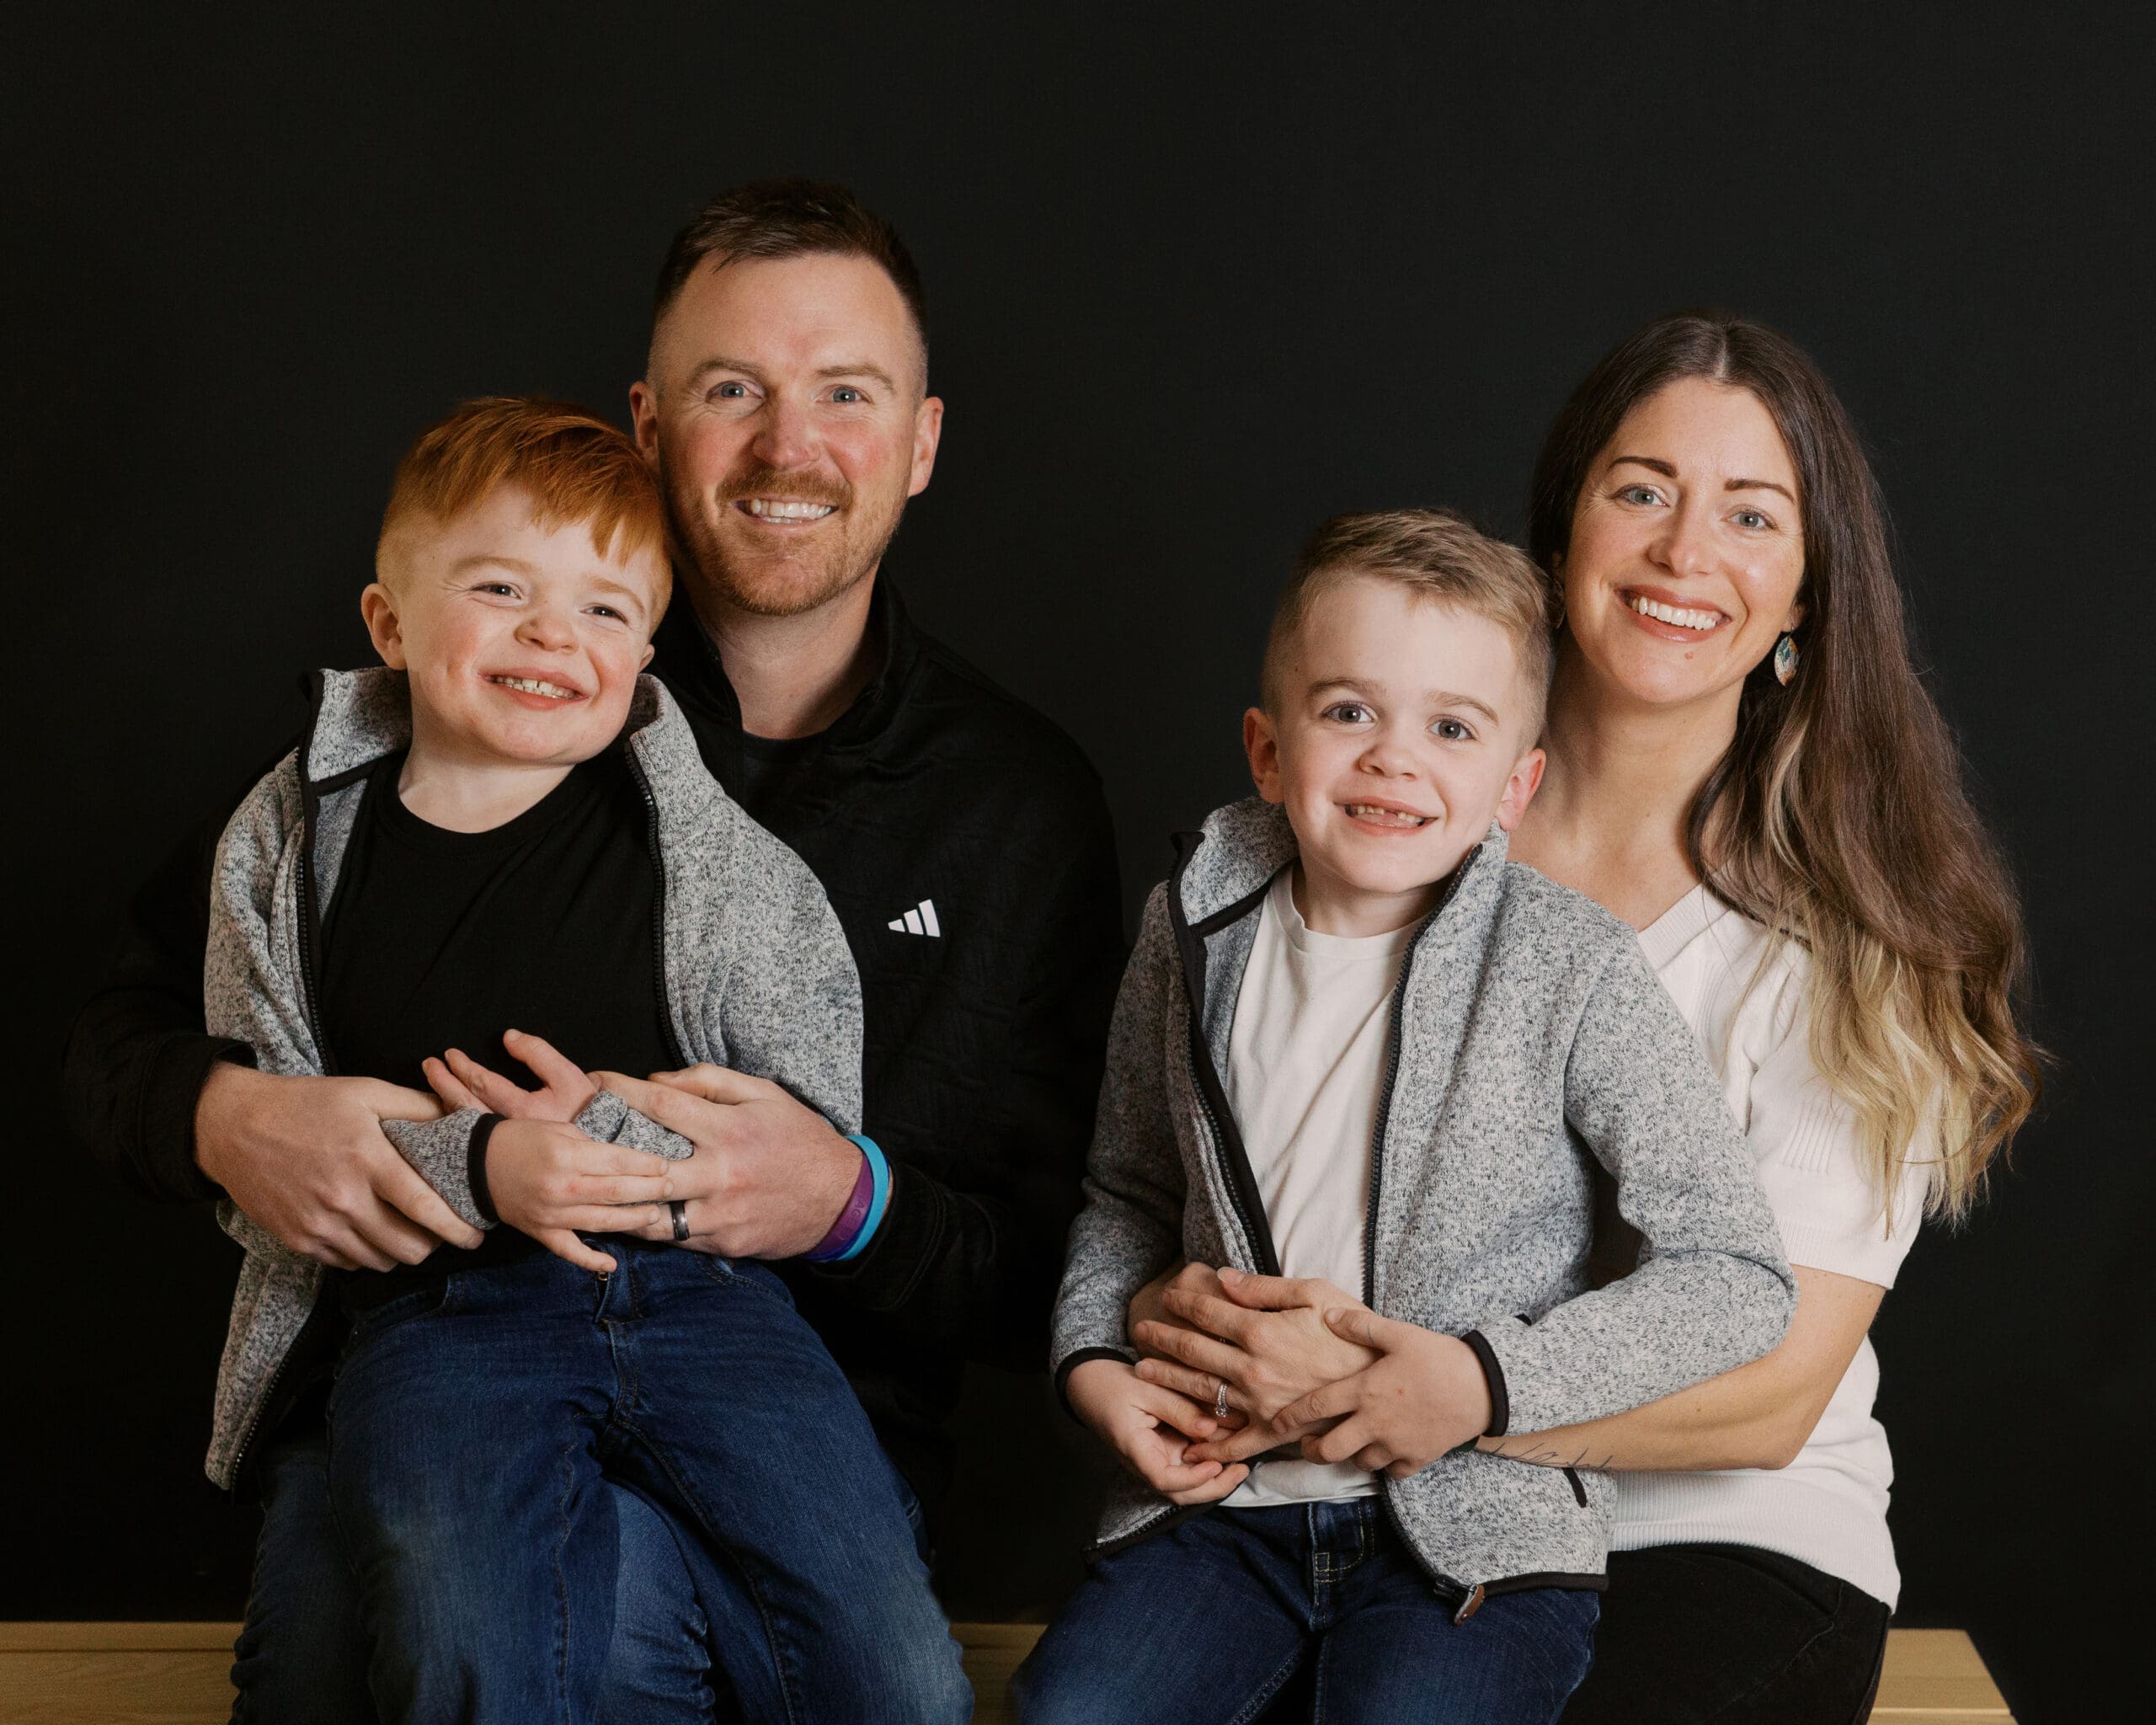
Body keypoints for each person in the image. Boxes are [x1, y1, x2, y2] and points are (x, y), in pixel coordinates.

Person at [61, 179, 1125, 1721]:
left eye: (846, 393)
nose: (786, 446)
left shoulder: (1016, 800)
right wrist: (231, 1119)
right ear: (646, 423)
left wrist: (845, 1203)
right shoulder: (473, 682)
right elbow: (126, 1024)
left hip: (789, 1396)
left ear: (922, 440)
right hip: (438, 1349)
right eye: (729, 391)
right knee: (331, 1659)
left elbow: (1061, 1258)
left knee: (655, 1640)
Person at [1126, 313, 2043, 1725]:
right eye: (1641, 491)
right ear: (1562, 531)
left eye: (1752, 514)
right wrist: (1175, 1312)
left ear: (1806, 594)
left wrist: (1432, 1401)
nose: (1686, 553)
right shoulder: (1400, 806)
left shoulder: (1858, 931)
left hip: (1716, 1529)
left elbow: (1773, 1394)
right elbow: (1193, 1164)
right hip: (1346, 1511)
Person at [200, 394, 969, 1723]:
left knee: (894, 1667)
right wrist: (491, 1165)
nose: (556, 633)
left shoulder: (718, 860)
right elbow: (273, 1150)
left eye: (607, 609)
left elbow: (806, 1119)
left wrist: (608, 1145)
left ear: (646, 656)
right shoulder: (290, 846)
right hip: (441, 1321)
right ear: (388, 622)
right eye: (502, 588)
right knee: (470, 1647)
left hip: (709, 1309)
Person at [1015, 511, 1796, 1725]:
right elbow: (1125, 1188)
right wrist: (1098, 1370)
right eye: (1348, 713)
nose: (1393, 759)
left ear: (1514, 785)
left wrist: (1485, 1383)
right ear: (1269, 752)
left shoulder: (1569, 965)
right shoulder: (1193, 927)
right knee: (1072, 1713)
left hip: (1471, 1534)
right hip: (1222, 1510)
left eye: (1450, 727)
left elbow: (1738, 1274)